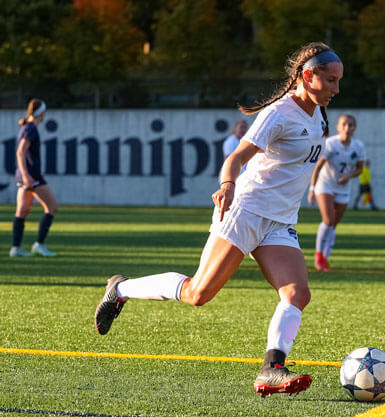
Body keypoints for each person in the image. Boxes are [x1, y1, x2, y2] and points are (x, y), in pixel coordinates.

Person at [94, 42, 343, 397]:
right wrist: (226, 186)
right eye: (331, 81)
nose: (336, 89)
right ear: (308, 76)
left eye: (337, 82)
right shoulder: (278, 114)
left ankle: (272, 369)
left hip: (279, 221)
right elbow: (235, 159)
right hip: (245, 210)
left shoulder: (318, 112)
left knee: (297, 294)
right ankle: (120, 289)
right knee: (198, 294)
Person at [308, 114, 365, 272]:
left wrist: (348, 175)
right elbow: (318, 167)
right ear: (338, 127)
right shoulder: (331, 144)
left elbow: (360, 168)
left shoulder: (358, 146)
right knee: (328, 219)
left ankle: (325, 257)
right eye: (344, 124)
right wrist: (312, 189)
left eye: (351, 125)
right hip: (325, 185)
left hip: (343, 189)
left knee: (333, 224)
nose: (347, 128)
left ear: (355, 128)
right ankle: (318, 256)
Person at [10, 98, 58, 257]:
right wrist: (27, 175)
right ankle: (39, 244)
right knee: (51, 208)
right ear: (41, 112)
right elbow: (20, 152)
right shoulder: (31, 128)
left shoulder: (26, 126)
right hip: (31, 178)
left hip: (29, 175)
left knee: (22, 212)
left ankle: (16, 248)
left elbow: (26, 154)